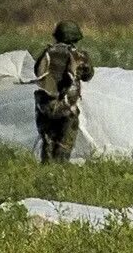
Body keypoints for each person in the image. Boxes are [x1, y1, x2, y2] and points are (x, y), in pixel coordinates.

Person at [34, 21, 92, 163]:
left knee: (48, 145)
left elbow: (37, 72)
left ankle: (45, 172)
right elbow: (88, 75)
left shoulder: (47, 53)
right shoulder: (79, 56)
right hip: (67, 109)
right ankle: (58, 175)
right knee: (64, 147)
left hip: (45, 107)